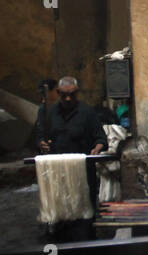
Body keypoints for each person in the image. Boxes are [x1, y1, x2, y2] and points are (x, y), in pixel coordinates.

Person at [35, 77, 107, 238]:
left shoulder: (87, 113)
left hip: (82, 172)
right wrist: (41, 144)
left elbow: (101, 138)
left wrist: (97, 148)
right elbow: (39, 137)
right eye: (64, 95)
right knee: (60, 213)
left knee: (85, 216)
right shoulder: (48, 113)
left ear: (77, 93)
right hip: (57, 172)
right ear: (59, 93)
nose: (68, 99)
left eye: (72, 95)